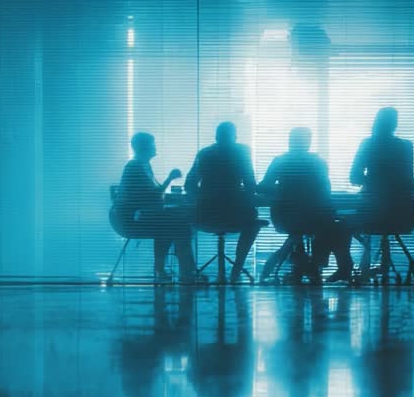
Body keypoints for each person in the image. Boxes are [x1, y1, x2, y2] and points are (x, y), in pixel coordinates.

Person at [257, 127, 353, 283]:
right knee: (336, 224)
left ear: (290, 141)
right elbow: (325, 191)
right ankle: (322, 265)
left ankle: (308, 264)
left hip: (284, 217)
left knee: (323, 224)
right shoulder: (318, 162)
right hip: (313, 218)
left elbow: (262, 187)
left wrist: (283, 189)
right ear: (308, 142)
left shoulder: (280, 161)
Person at [184, 121, 263, 283]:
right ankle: (237, 268)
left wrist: (206, 195)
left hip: (205, 216)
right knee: (254, 222)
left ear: (216, 137)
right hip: (236, 216)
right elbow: (250, 185)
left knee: (182, 220)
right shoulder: (242, 152)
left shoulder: (204, 154)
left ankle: (190, 271)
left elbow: (189, 185)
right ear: (235, 137)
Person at [111, 132, 197, 282]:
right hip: (129, 220)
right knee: (176, 225)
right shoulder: (135, 167)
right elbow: (154, 196)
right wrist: (170, 178)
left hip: (137, 215)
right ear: (144, 147)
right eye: (152, 144)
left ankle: (178, 269)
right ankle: (182, 270)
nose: (155, 147)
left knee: (176, 222)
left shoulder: (143, 165)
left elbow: (153, 194)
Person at [348, 107, 414, 281]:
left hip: (372, 215)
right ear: (395, 124)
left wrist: (371, 182)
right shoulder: (406, 146)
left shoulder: (368, 144)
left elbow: (354, 176)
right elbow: (408, 179)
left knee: (339, 223)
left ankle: (346, 268)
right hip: (402, 217)